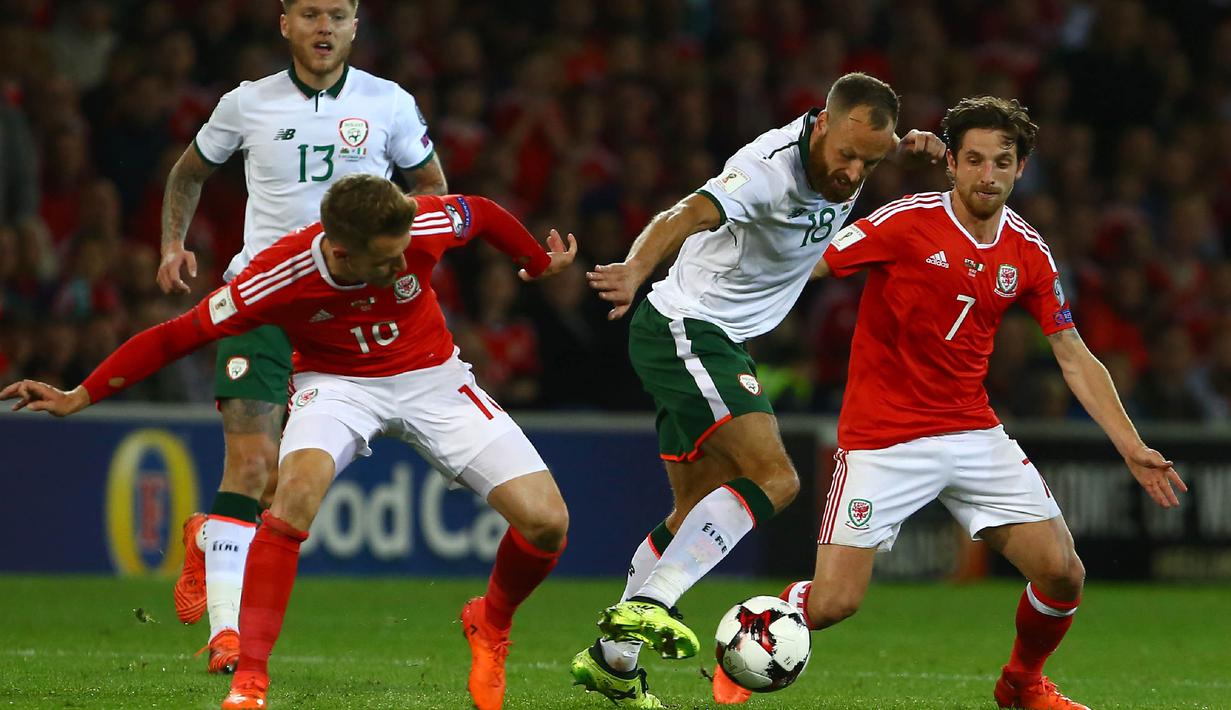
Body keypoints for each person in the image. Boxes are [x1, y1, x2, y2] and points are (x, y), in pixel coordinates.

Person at [2, 175, 576, 710]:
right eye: (387, 258)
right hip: (336, 384)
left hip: (432, 376)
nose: (405, 262)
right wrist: (80, 394)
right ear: (343, 253)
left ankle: (490, 622)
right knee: (294, 496)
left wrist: (535, 260)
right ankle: (250, 679)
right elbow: (177, 335)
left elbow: (480, 212)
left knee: (548, 523)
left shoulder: (418, 223)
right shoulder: (280, 274)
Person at [713, 96, 1188, 708]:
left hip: (971, 431)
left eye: (1002, 162)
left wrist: (1132, 445)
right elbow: (810, 264)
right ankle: (753, 634)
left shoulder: (1027, 250)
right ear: (952, 165)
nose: (988, 175)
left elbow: (1072, 353)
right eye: (975, 160)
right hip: (882, 440)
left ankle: (1021, 684)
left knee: (1063, 574)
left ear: (1020, 169)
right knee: (833, 604)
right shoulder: (905, 221)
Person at [577, 72, 946, 707]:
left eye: (868, 162)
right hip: (688, 326)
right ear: (822, 124)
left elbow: (881, 145)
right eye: (847, 156)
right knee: (777, 478)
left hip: (712, 336)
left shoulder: (861, 143)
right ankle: (653, 601)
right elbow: (686, 212)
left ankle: (612, 661)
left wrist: (913, 145)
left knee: (693, 511)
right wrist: (636, 267)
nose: (853, 173)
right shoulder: (767, 170)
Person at [156, 0, 448, 674]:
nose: (325, 27)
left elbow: (431, 186)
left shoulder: (389, 103)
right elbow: (188, 171)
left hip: (345, 312)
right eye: (311, 14)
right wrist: (173, 244)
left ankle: (209, 536)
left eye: (338, 15)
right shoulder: (245, 103)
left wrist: (405, 256)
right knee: (251, 463)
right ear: (285, 24)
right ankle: (225, 637)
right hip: (260, 301)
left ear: (355, 26)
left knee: (284, 487)